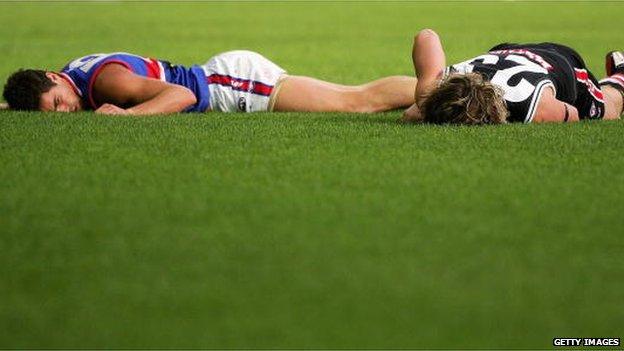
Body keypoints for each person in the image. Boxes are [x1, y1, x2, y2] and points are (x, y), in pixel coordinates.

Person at [2, 50, 417, 115]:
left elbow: (181, 95)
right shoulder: (69, 73)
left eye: (57, 103)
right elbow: (36, 94)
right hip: (225, 73)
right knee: (352, 98)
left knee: (355, 101)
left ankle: (452, 88)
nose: (65, 110)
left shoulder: (106, 84)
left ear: (56, 79)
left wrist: (129, 117)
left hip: (229, 84)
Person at [402, 29, 624, 124]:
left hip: (562, 62)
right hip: (506, 52)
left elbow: (573, 114)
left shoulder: (537, 107)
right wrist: (424, 97)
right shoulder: (435, 90)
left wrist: (421, 104)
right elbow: (426, 36)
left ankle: (619, 79)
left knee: (608, 112)